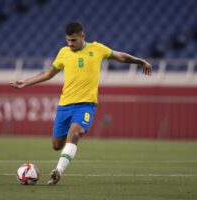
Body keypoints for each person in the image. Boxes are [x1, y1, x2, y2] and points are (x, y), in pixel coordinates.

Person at [10, 21, 152, 185]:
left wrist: (140, 61)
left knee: (75, 133)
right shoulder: (63, 52)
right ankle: (63, 155)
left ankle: (58, 171)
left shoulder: (97, 49)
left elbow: (120, 56)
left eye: (73, 41)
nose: (70, 44)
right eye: (68, 41)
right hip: (64, 105)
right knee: (56, 145)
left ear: (82, 36)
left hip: (85, 105)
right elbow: (50, 72)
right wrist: (26, 82)